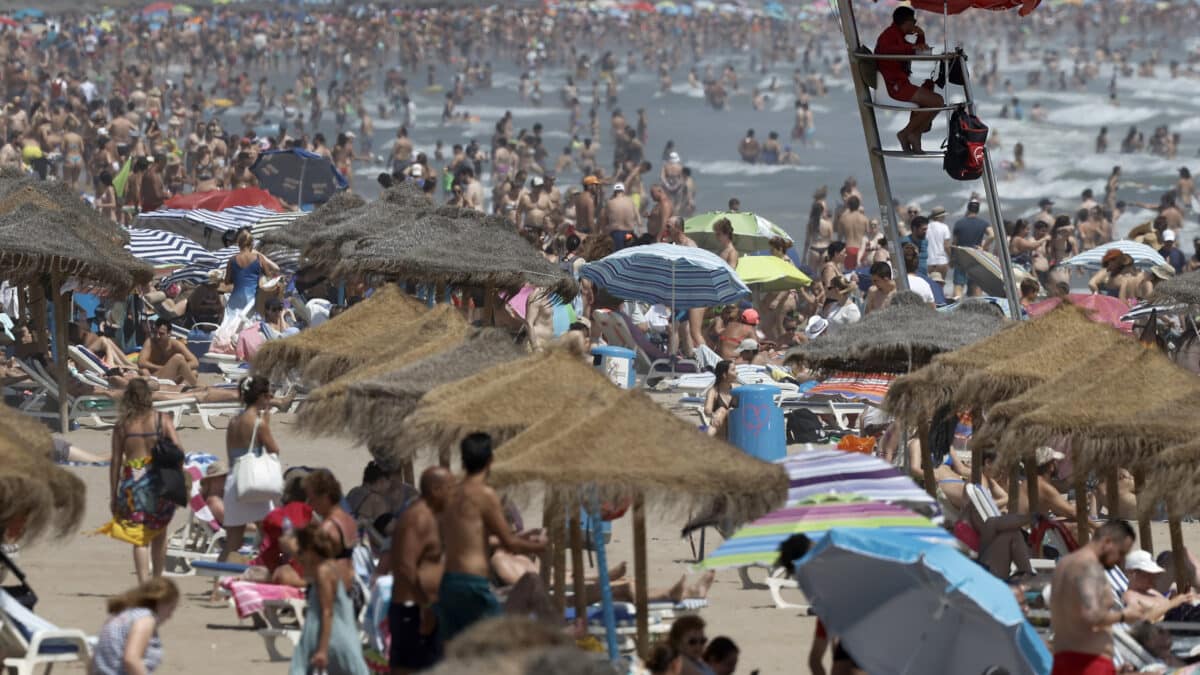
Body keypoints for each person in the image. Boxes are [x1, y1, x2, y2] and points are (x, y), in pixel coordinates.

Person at [438, 433, 547, 641]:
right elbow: (509, 542)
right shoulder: (485, 494)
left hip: (449, 582)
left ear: (462, 460)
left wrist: (522, 536)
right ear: (490, 461)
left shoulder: (450, 494)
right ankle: (559, 635)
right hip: (473, 584)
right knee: (497, 637)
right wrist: (537, 546)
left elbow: (468, 536)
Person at [101, 379, 182, 583]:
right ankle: (157, 578)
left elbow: (116, 461)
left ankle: (143, 582)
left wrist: (113, 494)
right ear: (148, 396)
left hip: (134, 480)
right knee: (160, 531)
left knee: (139, 535)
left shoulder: (122, 426)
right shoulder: (162, 420)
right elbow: (178, 450)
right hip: (159, 477)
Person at [1049, 520, 1144, 675]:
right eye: (1120, 553)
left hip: (1062, 661)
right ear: (1107, 542)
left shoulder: (1064, 564)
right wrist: (1125, 615)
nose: (1120, 560)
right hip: (1089, 663)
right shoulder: (1089, 568)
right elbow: (1091, 615)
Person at [391, 467, 453, 675]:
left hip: (423, 607)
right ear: (435, 489)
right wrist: (425, 606)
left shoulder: (430, 517)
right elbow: (406, 566)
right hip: (414, 609)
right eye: (449, 488)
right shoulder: (418, 518)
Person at [289, 524, 370, 675]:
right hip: (336, 634)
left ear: (310, 549)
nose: (299, 555)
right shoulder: (330, 567)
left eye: (301, 550)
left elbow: (328, 611)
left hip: (332, 637)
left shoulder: (323, 571)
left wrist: (323, 650)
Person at [219, 376, 281, 569]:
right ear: (260, 396)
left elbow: (231, 454)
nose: (270, 398)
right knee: (271, 534)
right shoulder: (258, 423)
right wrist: (267, 424)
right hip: (254, 483)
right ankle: (268, 575)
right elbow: (274, 450)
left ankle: (216, 588)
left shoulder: (233, 421)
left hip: (234, 481)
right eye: (268, 394)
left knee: (232, 543)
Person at [875, 7, 944, 153]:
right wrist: (914, 46)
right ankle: (907, 133)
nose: (915, 24)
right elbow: (896, 50)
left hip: (900, 84)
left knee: (931, 101)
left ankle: (914, 133)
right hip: (894, 86)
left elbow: (915, 50)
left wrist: (921, 36)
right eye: (914, 21)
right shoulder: (888, 36)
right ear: (906, 22)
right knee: (937, 102)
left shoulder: (897, 35)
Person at [89, 578, 179, 675]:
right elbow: (131, 659)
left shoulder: (120, 615)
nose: (170, 616)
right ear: (161, 602)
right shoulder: (145, 620)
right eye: (171, 608)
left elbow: (94, 659)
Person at [304, 470, 362, 601]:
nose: (309, 504)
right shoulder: (347, 520)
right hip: (351, 588)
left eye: (312, 499)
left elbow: (311, 569)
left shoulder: (328, 528)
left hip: (331, 594)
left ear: (324, 497)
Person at [1122, 550, 1200, 623]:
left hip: (1187, 616)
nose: (1153, 578)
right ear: (1132, 573)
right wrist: (1173, 603)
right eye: (1147, 574)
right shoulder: (1130, 596)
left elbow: (1166, 607)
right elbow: (1141, 621)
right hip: (1178, 625)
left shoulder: (1151, 592)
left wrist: (1180, 599)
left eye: (1153, 574)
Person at [223, 229, 280, 322]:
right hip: (251, 301)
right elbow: (269, 276)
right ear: (252, 244)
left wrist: (238, 277)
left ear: (239, 244)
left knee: (230, 325)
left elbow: (227, 282)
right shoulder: (259, 258)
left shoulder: (232, 260)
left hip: (235, 300)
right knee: (247, 327)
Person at [137, 318, 198, 386]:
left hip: (173, 377)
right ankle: (197, 386)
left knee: (194, 372)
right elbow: (141, 362)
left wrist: (178, 369)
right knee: (178, 358)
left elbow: (195, 362)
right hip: (155, 376)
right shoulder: (150, 342)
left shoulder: (176, 345)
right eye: (155, 332)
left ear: (169, 333)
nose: (157, 336)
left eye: (161, 334)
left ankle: (180, 389)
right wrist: (162, 368)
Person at [952, 201, 994, 297]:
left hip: (961, 257)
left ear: (968, 208)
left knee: (959, 286)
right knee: (976, 287)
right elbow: (992, 235)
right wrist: (983, 247)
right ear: (978, 210)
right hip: (976, 257)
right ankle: (978, 309)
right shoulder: (983, 223)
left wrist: (952, 259)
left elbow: (954, 243)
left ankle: (956, 308)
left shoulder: (959, 223)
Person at [703, 360, 737, 438]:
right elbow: (707, 410)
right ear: (724, 375)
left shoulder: (738, 389)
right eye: (733, 370)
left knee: (728, 412)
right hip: (722, 432)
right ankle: (705, 441)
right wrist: (713, 415)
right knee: (721, 411)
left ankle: (704, 442)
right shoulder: (714, 391)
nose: (737, 372)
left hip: (736, 430)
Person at [925, 206, 952, 280]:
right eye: (943, 216)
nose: (944, 218)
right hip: (942, 261)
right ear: (940, 217)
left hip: (929, 262)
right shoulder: (944, 227)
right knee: (940, 286)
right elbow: (946, 246)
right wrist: (952, 258)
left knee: (931, 286)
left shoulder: (926, 227)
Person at [199, 461, 229, 526]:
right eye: (224, 476)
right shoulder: (214, 501)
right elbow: (232, 523)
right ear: (214, 479)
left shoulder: (219, 497)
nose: (228, 478)